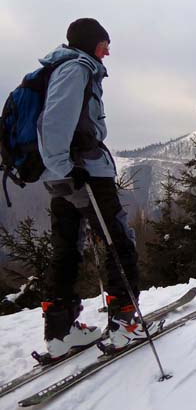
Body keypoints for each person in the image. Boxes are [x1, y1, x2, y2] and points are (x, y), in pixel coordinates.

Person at [37, 18, 148, 358]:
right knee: (118, 241)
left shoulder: (64, 68)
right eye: (104, 44)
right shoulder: (77, 69)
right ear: (90, 43)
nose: (108, 51)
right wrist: (68, 167)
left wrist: (60, 168)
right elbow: (55, 122)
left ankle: (61, 331)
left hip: (64, 174)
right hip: (83, 173)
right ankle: (124, 323)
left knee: (67, 248)